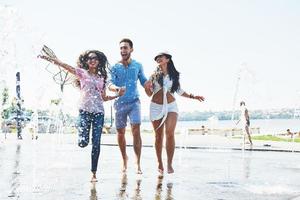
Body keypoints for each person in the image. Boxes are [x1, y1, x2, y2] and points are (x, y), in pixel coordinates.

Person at [38, 50, 119, 182]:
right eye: (89, 58)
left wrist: (116, 95)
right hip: (84, 111)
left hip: (99, 112)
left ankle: (94, 173)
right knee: (83, 143)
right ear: (86, 61)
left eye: (95, 58)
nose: (92, 60)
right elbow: (63, 65)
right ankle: (81, 136)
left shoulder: (101, 77)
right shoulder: (82, 73)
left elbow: (103, 97)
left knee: (96, 143)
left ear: (99, 61)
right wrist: (48, 58)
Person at [144, 52, 205, 175]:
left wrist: (193, 96)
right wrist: (147, 88)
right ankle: (159, 163)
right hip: (156, 107)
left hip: (171, 106)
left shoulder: (174, 75)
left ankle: (169, 163)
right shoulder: (154, 76)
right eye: (157, 58)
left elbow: (179, 90)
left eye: (160, 57)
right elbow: (149, 94)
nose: (158, 59)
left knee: (170, 133)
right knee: (158, 136)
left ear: (167, 59)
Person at [108, 38, 148, 174]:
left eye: (125, 48)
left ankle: (138, 162)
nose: (123, 50)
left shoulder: (137, 65)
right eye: (121, 48)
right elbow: (110, 83)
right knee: (121, 132)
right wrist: (116, 89)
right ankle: (124, 159)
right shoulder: (114, 67)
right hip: (119, 103)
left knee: (136, 129)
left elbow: (143, 80)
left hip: (134, 102)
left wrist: (150, 84)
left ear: (131, 49)